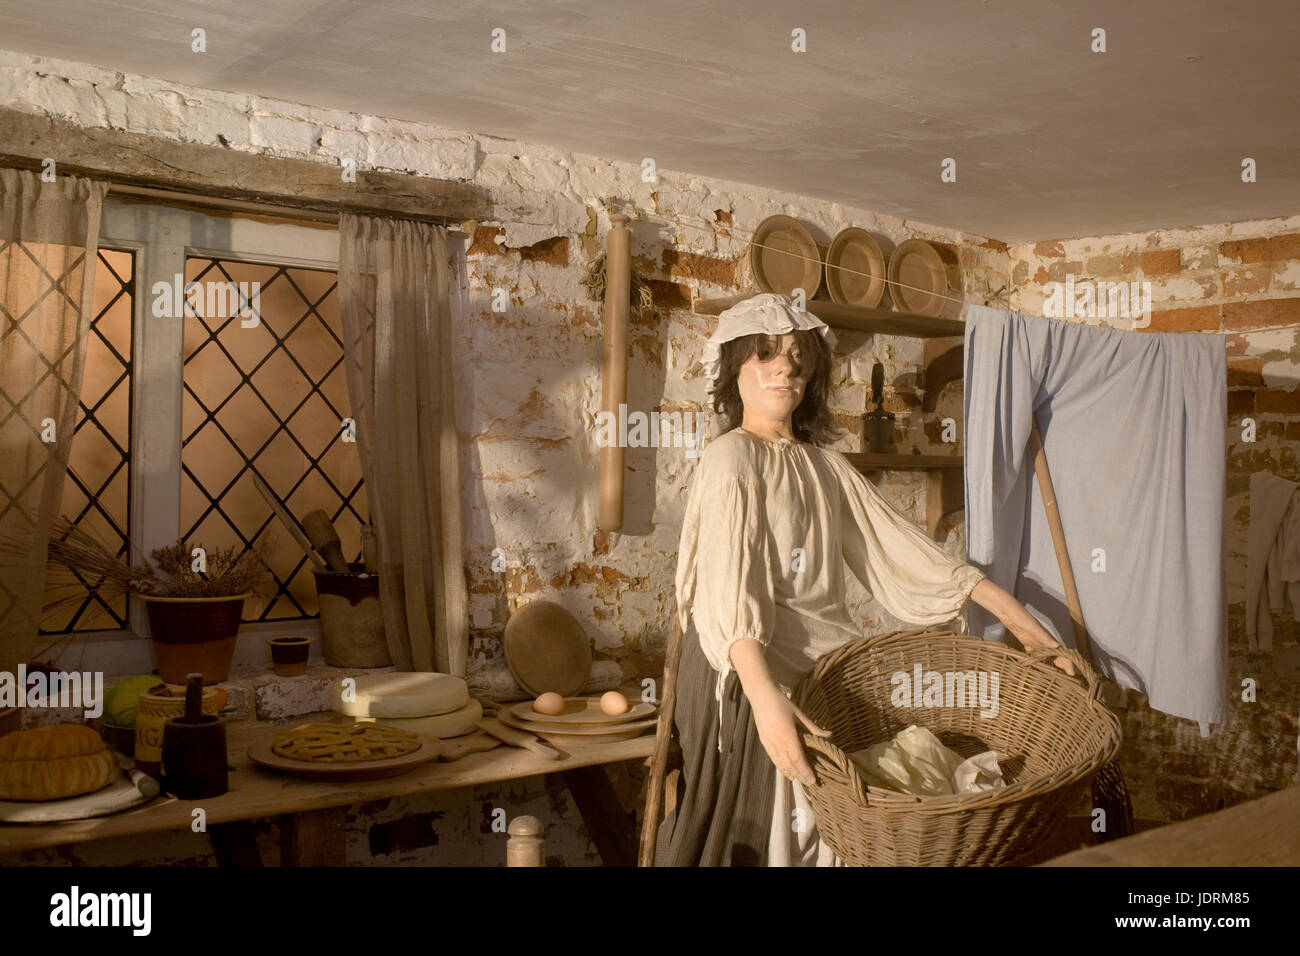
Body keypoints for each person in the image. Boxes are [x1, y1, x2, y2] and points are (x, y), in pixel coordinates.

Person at [654, 293, 1062, 867]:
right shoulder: (730, 458)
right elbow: (728, 591)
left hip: (820, 676)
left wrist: (1024, 623)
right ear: (734, 369)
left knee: (840, 831)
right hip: (746, 672)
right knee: (778, 839)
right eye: (764, 354)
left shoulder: (827, 467)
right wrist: (765, 699)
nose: (784, 367)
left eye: (797, 356)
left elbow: (905, 552)